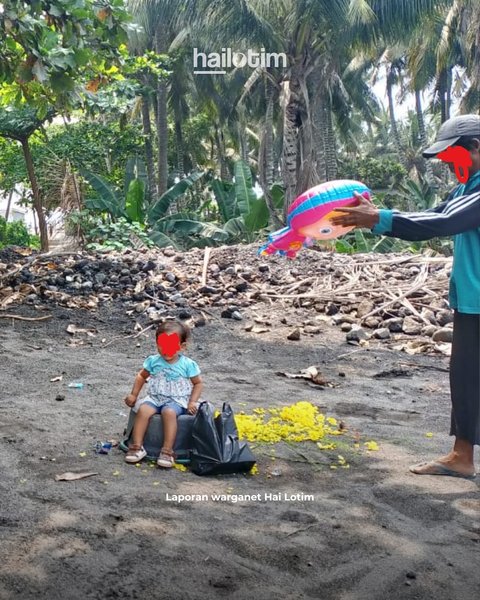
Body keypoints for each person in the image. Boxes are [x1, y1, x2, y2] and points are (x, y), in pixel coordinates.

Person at [331, 114, 480, 480]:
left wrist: (377, 218)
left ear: (476, 147)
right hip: (471, 299)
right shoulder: (466, 188)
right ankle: (461, 457)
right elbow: (432, 215)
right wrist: (375, 214)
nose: (447, 164)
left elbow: (441, 225)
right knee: (465, 377)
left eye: (452, 155)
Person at [124, 319, 203, 467]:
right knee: (143, 410)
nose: (166, 349)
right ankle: (137, 446)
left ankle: (167, 451)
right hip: (155, 397)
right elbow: (141, 376)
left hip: (176, 400)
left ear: (182, 346)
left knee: (168, 412)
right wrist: (134, 394)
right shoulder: (153, 361)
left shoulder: (187, 364)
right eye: (162, 344)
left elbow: (198, 383)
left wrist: (192, 401)